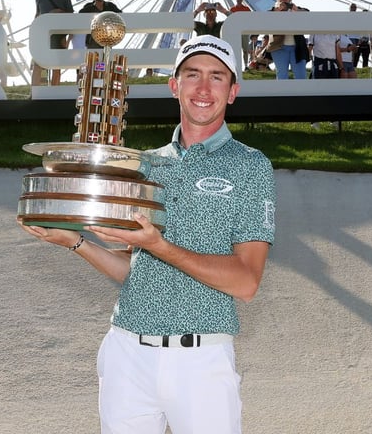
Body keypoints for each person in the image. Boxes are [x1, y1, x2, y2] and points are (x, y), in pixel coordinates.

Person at [21, 34, 275, 433]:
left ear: (233, 91)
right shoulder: (145, 165)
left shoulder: (251, 167)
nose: (203, 89)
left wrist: (159, 244)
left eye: (217, 77)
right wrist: (76, 241)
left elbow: (246, 282)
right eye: (192, 75)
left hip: (201, 360)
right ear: (174, 86)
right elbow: (137, 270)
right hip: (126, 354)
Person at [31, 0, 72, 86]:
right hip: (43, 35)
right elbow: (37, 15)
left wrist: (58, 12)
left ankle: (54, 91)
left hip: (59, 34)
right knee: (38, 63)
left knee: (57, 65)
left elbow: (71, 16)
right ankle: (34, 92)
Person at [266, 0, 308, 80]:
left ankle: (301, 94)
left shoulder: (296, 10)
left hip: (297, 48)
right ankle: (281, 94)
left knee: (301, 75)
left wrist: (295, 9)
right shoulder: (273, 11)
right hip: (279, 48)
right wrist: (276, 11)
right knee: (282, 75)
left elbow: (308, 13)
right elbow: (264, 18)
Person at [228, 0, 253, 68]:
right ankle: (236, 67)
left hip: (244, 31)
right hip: (236, 32)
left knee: (245, 50)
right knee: (236, 50)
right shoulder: (232, 9)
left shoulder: (247, 9)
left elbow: (250, 20)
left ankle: (245, 66)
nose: (239, 0)